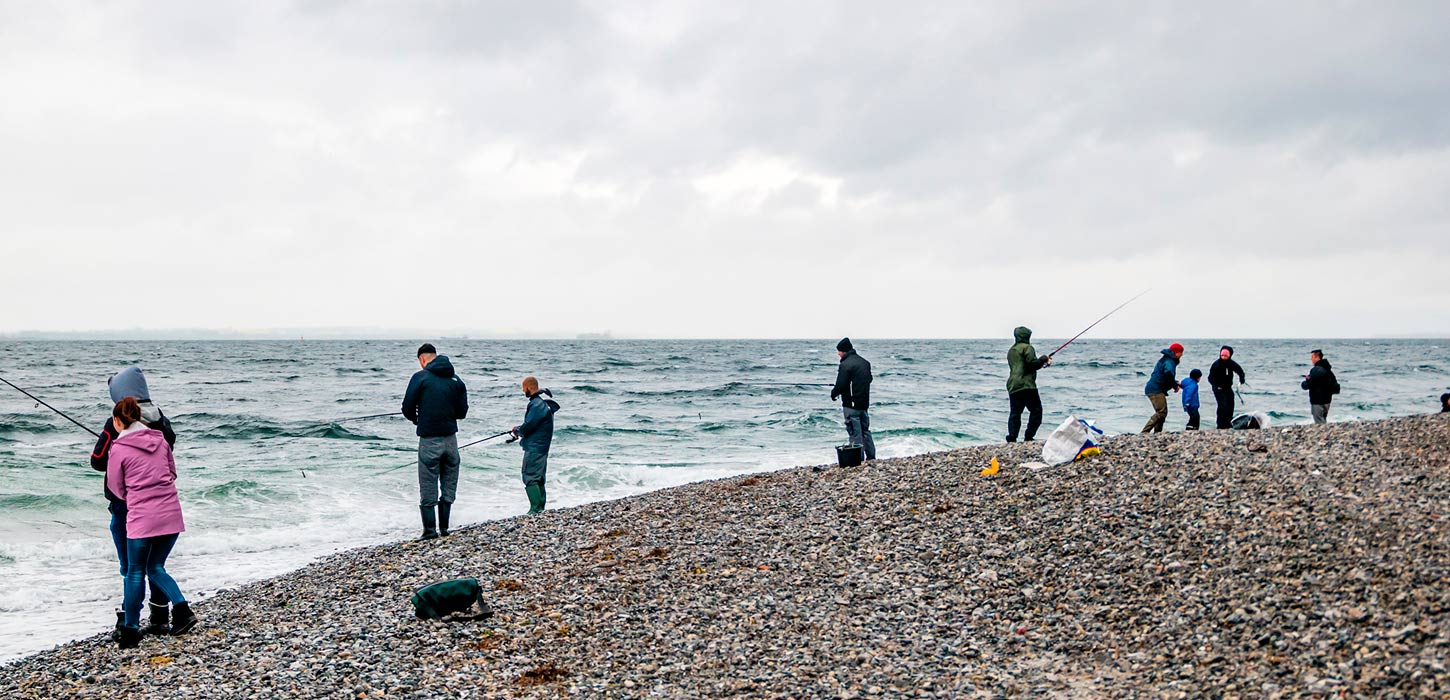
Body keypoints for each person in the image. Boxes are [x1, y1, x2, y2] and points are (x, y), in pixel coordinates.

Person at [89, 367, 178, 637]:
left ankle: (129, 622)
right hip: (160, 501)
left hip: (127, 505)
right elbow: (168, 452)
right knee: (155, 564)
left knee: (131, 566)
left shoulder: (115, 422)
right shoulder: (160, 419)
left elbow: (97, 461)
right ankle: (160, 616)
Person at [106, 397, 196, 648]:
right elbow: (172, 472)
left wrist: (136, 496)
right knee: (155, 566)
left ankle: (131, 630)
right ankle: (182, 610)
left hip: (142, 519)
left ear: (117, 420)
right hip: (171, 514)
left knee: (135, 571)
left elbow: (116, 487)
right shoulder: (161, 440)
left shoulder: (119, 448)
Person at [402, 343, 468, 540]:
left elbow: (407, 407)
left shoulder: (420, 377)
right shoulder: (456, 380)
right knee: (449, 481)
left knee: (428, 482)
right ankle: (445, 528)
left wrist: (417, 419)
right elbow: (462, 413)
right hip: (451, 440)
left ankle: (430, 531)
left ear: (422, 359)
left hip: (429, 439)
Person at [510, 376, 560, 515]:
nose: (522, 390)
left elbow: (530, 425)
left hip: (535, 447)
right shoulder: (541, 404)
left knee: (530, 475)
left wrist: (518, 430)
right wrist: (520, 429)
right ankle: (540, 509)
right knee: (538, 476)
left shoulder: (536, 404)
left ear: (529, 388)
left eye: (523, 387)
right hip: (542, 446)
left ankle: (535, 509)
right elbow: (533, 424)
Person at [830, 338, 875, 460]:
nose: (838, 353)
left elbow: (841, 384)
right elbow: (869, 379)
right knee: (865, 431)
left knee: (854, 432)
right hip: (864, 404)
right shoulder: (865, 363)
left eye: (839, 351)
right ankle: (871, 457)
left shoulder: (845, 365)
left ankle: (858, 458)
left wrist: (834, 393)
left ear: (844, 351)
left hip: (851, 405)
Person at [1005, 326, 1052, 442]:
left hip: (1013, 385)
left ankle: (1012, 437)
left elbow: (1023, 366)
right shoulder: (1028, 348)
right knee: (1036, 411)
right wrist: (1043, 359)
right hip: (1027, 385)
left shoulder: (1011, 350)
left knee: (1015, 413)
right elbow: (1031, 364)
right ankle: (1028, 437)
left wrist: (1042, 362)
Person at [1142, 343, 1184, 434]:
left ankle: (1157, 432)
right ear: (1176, 352)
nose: (1182, 355)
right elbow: (1168, 374)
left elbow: (1165, 376)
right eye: (1181, 352)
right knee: (1161, 412)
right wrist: (1174, 384)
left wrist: (1175, 383)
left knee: (1161, 413)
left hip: (1154, 388)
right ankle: (1145, 432)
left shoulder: (1167, 360)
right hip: (1155, 389)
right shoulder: (1169, 361)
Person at [1207, 346, 1247, 429]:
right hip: (1218, 388)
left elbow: (1240, 371)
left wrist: (1242, 378)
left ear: (1230, 356)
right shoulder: (1216, 365)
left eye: (1226, 356)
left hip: (1228, 387)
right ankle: (1220, 425)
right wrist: (1216, 386)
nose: (1224, 358)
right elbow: (1210, 378)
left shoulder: (1231, 363)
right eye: (1222, 356)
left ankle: (1229, 422)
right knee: (1222, 405)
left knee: (1230, 404)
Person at [1301, 349, 1339, 424]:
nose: (1311, 359)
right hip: (1327, 399)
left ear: (1316, 357)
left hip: (1317, 400)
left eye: (1312, 357)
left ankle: (1324, 435)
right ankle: (1326, 433)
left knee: (1319, 422)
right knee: (1323, 419)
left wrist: (1305, 382)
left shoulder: (1316, 369)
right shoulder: (1328, 370)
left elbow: (1309, 384)